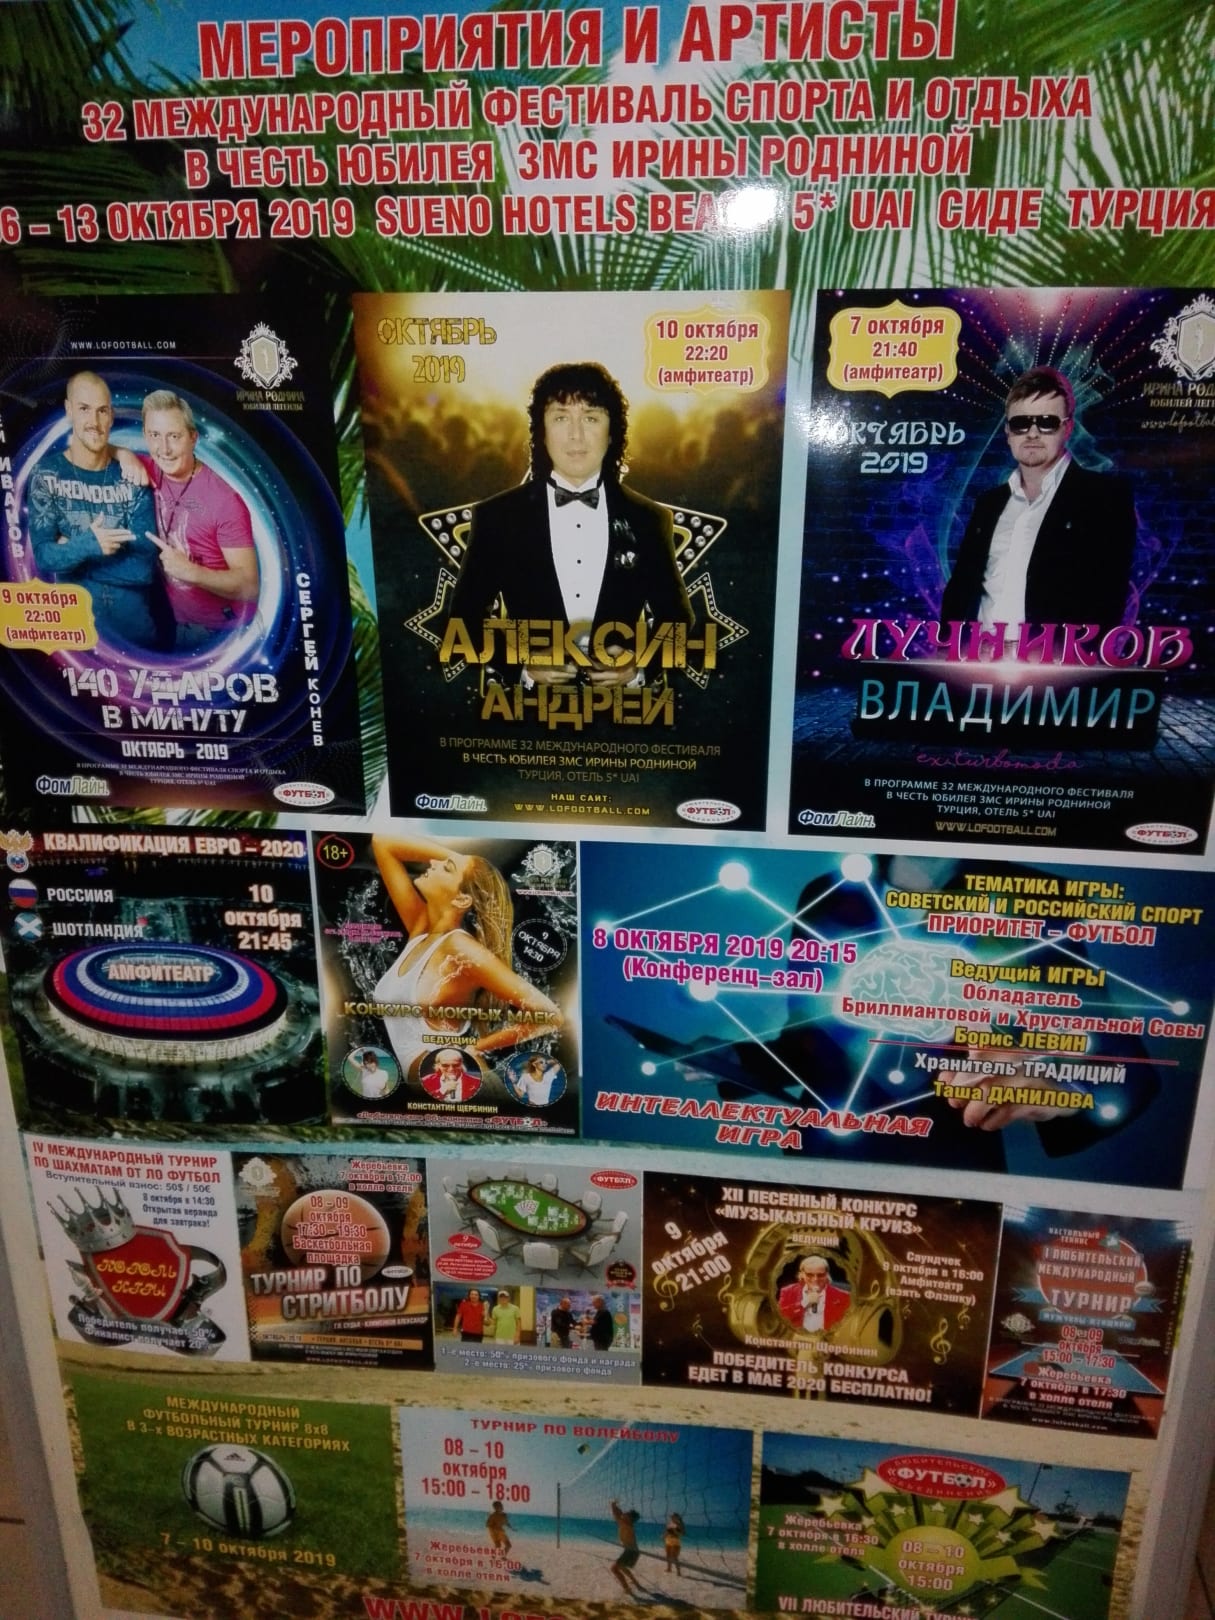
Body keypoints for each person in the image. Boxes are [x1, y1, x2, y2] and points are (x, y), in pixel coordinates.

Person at [447, 362, 693, 687]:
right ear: (542, 431)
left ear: (612, 432)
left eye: (590, 417)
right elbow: (463, 620)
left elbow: (678, 621)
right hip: (528, 712)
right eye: (561, 418)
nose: (576, 434)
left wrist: (638, 669)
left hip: (623, 712)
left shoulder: (648, 519)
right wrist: (522, 667)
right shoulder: (497, 516)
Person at [940, 365, 1136, 635]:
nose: (1032, 433)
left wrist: (1067, 656)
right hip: (978, 655)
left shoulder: (1105, 497)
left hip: (1058, 657)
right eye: (1020, 423)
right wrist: (947, 645)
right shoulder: (988, 504)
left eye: (1046, 422)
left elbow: (1109, 598)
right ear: (1008, 432)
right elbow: (961, 589)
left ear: (1067, 428)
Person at [369, 835, 561, 1078]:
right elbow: (383, 843)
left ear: (462, 899)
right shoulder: (422, 931)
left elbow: (550, 1016)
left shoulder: (460, 948)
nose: (432, 862)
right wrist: (459, 860)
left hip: (454, 1084)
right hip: (436, 1087)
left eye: (446, 868)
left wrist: (477, 1047)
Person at [26, 371, 171, 651]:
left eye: (102, 410)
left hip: (137, 638)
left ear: (111, 416)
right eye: (84, 409)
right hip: (75, 638)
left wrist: (73, 553)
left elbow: (144, 567)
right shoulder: (46, 473)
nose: (94, 421)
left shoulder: (132, 475)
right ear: (69, 410)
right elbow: (44, 556)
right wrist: (90, 544)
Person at [121, 390, 259, 651]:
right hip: (176, 619)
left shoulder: (225, 500)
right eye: (154, 435)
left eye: (174, 436)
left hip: (224, 632)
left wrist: (191, 573)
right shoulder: (148, 468)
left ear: (193, 438)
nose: (164, 449)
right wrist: (124, 456)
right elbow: (107, 450)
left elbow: (249, 586)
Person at [777, 1256, 850, 1334]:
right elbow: (780, 1319)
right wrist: (804, 1303)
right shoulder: (787, 1292)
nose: (815, 1279)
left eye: (820, 1275)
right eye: (810, 1275)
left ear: (827, 1275)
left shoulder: (843, 1296)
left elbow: (846, 1326)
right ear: (802, 1274)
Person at [609, 1499, 644, 1596]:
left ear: (629, 1518)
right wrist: (615, 1506)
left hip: (631, 1552)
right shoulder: (627, 1522)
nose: (624, 1513)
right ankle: (637, 1584)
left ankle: (627, 1589)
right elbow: (620, 1513)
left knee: (614, 1569)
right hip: (632, 1551)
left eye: (627, 1513)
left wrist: (612, 1504)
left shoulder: (625, 1523)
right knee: (622, 1567)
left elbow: (617, 1514)